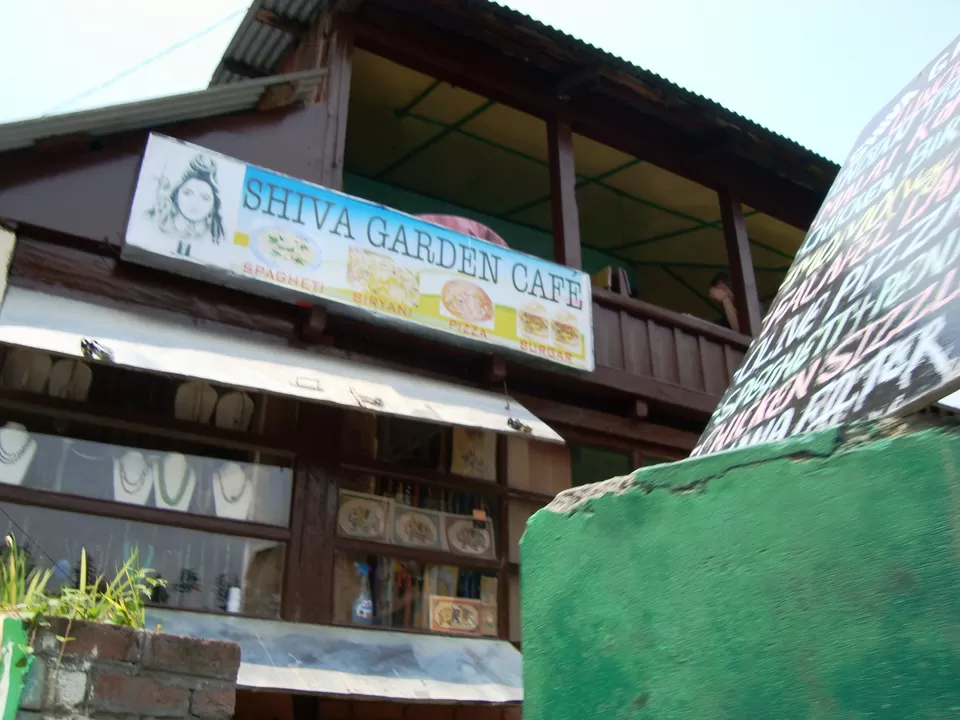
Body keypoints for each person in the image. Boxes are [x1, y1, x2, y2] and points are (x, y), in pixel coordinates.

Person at [149, 154, 225, 257]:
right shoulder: (158, 221)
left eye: (205, 198)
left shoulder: (213, 240)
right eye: (187, 193)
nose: (195, 202)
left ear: (213, 207)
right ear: (176, 195)